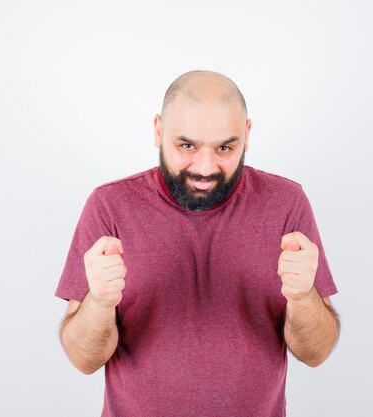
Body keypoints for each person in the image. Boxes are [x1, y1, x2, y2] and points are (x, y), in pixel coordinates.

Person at [54, 70, 340, 416]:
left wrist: (302, 297)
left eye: (224, 147)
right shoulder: (109, 206)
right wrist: (99, 302)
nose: (205, 168)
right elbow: (84, 360)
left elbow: (316, 353)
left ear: (247, 135)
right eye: (186, 145)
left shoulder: (286, 203)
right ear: (159, 131)